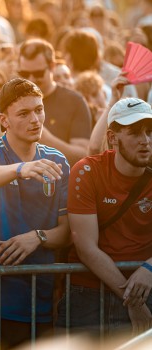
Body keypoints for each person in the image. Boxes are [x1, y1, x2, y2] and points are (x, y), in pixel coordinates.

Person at [0, 78, 71, 349]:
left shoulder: (58, 160)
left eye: (39, 109)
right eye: (23, 114)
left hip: (40, 302)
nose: (35, 119)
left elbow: (67, 231)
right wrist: (20, 169)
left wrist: (38, 237)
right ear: (4, 120)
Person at [57, 98, 152, 337]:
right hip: (88, 295)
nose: (146, 141)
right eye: (134, 133)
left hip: (146, 289)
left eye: (150, 132)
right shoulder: (87, 170)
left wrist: (150, 267)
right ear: (112, 138)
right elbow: (86, 247)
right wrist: (134, 302)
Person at [17, 38, 91, 166]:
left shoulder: (74, 101)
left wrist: (47, 139)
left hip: (60, 181)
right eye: (24, 73)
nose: (31, 79)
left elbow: (83, 155)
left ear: (52, 66)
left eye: (38, 73)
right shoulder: (12, 100)